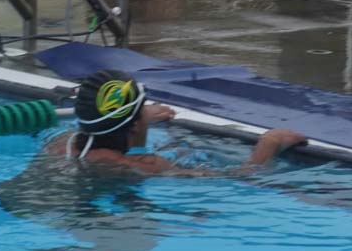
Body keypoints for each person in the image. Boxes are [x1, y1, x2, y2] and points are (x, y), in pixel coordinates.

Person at [48, 69, 307, 174]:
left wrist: (140, 115)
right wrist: (269, 143)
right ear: (135, 125)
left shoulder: (62, 144)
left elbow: (98, 121)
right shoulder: (143, 165)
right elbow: (240, 177)